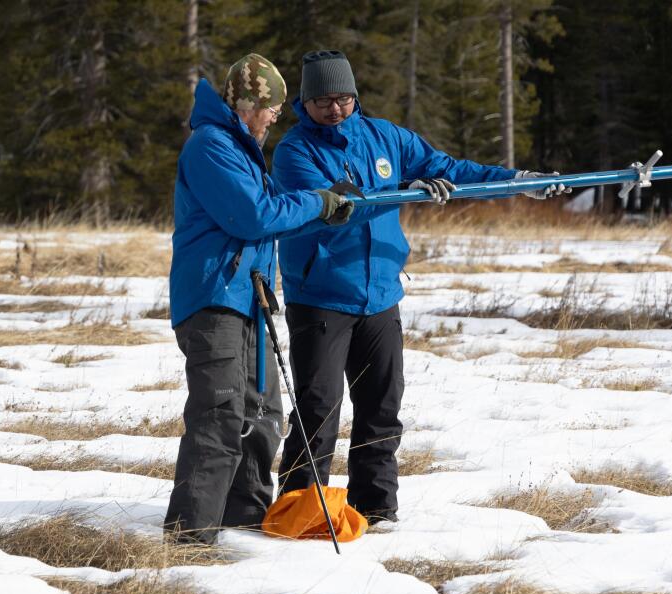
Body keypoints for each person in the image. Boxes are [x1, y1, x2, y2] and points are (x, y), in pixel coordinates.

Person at [271, 49, 567, 524]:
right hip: (322, 297)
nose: (335, 109)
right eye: (323, 100)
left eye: (344, 98)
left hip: (381, 296)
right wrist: (412, 192)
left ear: (355, 97)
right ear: (304, 103)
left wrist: (518, 181)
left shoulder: (385, 136)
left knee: (381, 409)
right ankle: (299, 509)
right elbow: (337, 207)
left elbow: (451, 167)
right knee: (318, 411)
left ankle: (376, 509)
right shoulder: (294, 152)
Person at [166, 53, 355, 545]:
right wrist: (318, 202)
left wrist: (324, 209)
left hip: (249, 298)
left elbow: (272, 210)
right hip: (214, 301)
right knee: (220, 414)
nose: (276, 116)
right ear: (248, 103)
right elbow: (253, 215)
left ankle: (245, 520)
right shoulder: (212, 147)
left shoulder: (241, 146)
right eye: (271, 107)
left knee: (262, 412)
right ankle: (190, 535)